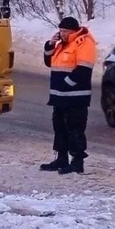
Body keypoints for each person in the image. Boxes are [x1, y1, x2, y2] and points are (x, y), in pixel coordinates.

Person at [40, 16, 97, 175]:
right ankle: (61, 158)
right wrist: (50, 44)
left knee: (75, 129)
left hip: (75, 96)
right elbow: (49, 61)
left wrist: (66, 83)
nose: (62, 33)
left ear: (73, 31)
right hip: (60, 97)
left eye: (65, 31)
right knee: (59, 128)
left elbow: (84, 70)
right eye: (60, 30)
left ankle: (77, 162)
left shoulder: (84, 43)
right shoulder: (62, 44)